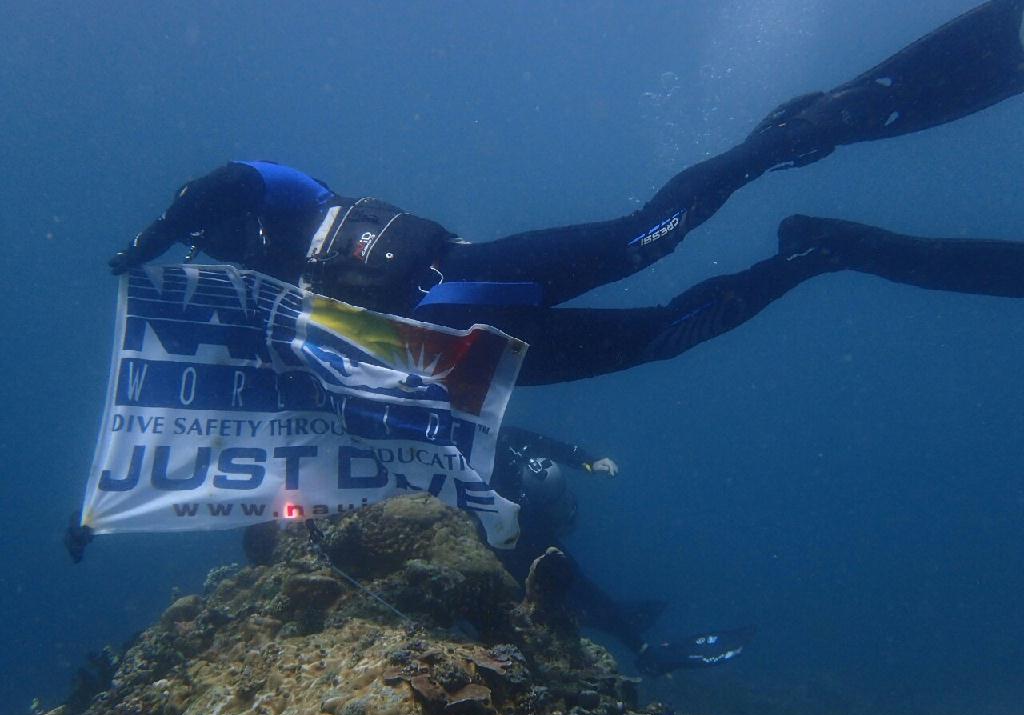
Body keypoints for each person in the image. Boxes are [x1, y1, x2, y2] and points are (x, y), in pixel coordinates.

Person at [107, 1, 1024, 384]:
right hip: (471, 367)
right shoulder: (243, 297)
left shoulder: (280, 199)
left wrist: (151, 236)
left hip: (474, 279)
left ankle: (785, 141)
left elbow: (235, 177)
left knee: (641, 239)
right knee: (666, 335)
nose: (207, 237)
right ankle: (818, 255)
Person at [492, 425, 754, 675]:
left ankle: (628, 632)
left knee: (570, 584)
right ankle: (640, 645)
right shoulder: (488, 436)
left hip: (519, 523)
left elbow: (537, 443)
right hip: (512, 531)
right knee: (567, 587)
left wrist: (587, 461)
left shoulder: (493, 433)